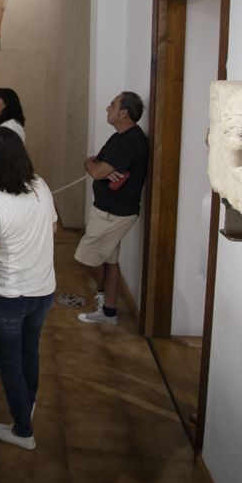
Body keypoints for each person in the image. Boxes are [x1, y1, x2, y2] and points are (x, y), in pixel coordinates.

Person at [0, 126, 60, 450]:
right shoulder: (40, 185)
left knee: (9, 360)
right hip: (44, 290)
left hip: (8, 296)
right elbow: (53, 227)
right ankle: (28, 404)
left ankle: (23, 429)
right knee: (29, 350)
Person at [75, 92, 148, 325]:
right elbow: (93, 162)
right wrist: (93, 164)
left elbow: (95, 170)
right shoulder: (119, 136)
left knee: (86, 258)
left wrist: (94, 167)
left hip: (114, 214)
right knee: (109, 260)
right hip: (106, 210)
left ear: (123, 113)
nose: (108, 108)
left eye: (112, 105)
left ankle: (102, 291)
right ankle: (109, 312)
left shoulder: (131, 141)